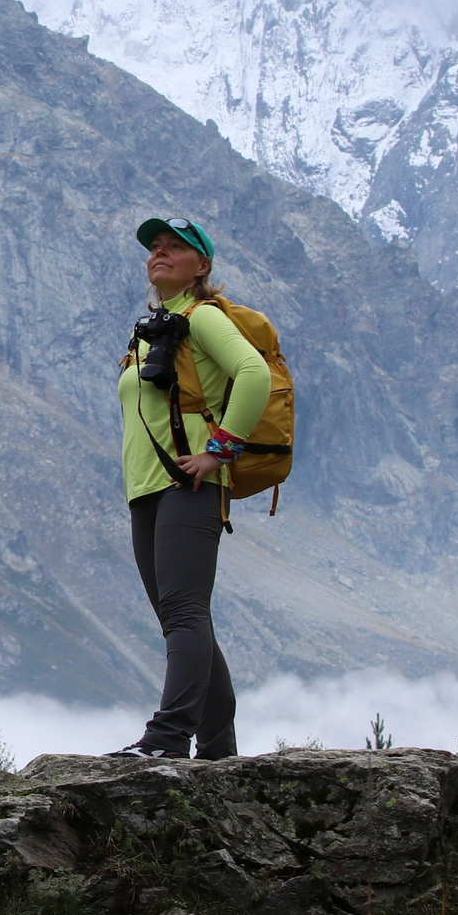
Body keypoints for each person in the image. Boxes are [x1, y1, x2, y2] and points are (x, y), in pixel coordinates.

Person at [111, 215, 270, 761]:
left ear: (201, 266)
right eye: (154, 247)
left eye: (174, 248)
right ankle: (219, 749)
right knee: (181, 614)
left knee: (183, 611)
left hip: (189, 485)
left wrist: (219, 451)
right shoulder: (157, 326)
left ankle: (168, 738)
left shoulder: (201, 317)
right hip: (148, 489)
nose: (159, 254)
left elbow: (254, 374)